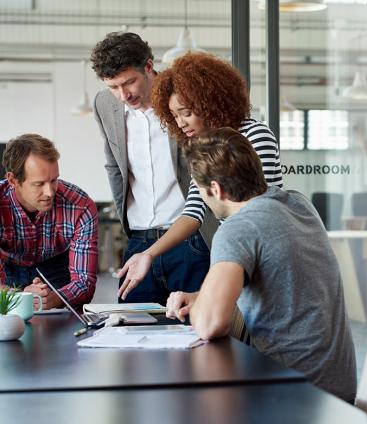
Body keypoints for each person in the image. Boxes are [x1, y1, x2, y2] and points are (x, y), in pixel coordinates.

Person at [165, 128, 356, 402]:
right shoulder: (299, 204)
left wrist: (204, 305)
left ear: (216, 190)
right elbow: (281, 284)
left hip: (293, 394)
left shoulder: (238, 229)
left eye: (200, 190)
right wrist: (200, 297)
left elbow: (209, 324)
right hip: (338, 389)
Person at [116, 52, 283, 300]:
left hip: (259, 258)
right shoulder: (202, 148)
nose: (180, 123)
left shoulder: (255, 135)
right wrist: (148, 254)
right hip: (234, 255)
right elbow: (193, 212)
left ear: (210, 102)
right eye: (174, 115)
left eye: (186, 112)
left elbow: (263, 212)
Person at [90, 32, 210, 304]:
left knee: (194, 335)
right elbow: (114, 164)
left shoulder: (181, 98)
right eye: (113, 86)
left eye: (129, 82)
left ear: (148, 66)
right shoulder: (104, 104)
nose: (123, 95)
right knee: (131, 332)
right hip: (139, 239)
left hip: (190, 240)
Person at [0, 134, 98, 309]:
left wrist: (55, 298)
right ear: (13, 180)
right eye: (39, 184)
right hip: (7, 272)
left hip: (56, 273)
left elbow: (84, 282)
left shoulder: (80, 206)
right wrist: (19, 298)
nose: (50, 192)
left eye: (53, 180)